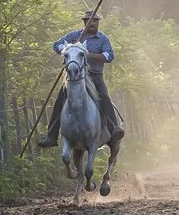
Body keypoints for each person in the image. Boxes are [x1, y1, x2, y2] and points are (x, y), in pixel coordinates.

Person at [37, 9, 126, 147]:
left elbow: (109, 56)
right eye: (90, 21)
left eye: (95, 21)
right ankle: (52, 136)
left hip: (95, 76)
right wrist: (67, 50)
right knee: (60, 100)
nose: (93, 24)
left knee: (104, 96)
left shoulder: (103, 39)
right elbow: (57, 44)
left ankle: (114, 128)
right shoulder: (74, 36)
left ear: (98, 23)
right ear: (85, 22)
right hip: (74, 77)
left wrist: (87, 54)